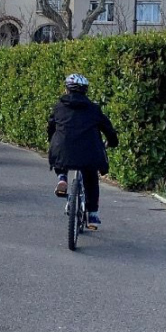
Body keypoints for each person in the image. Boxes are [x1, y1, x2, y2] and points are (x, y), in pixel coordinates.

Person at [48, 73, 118, 228]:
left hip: (63, 149)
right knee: (91, 177)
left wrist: (51, 140)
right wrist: (113, 142)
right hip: (89, 151)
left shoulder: (58, 107)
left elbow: (51, 127)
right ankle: (93, 214)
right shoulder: (93, 109)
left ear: (66, 89)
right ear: (85, 91)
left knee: (59, 151)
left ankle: (62, 178)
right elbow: (108, 129)